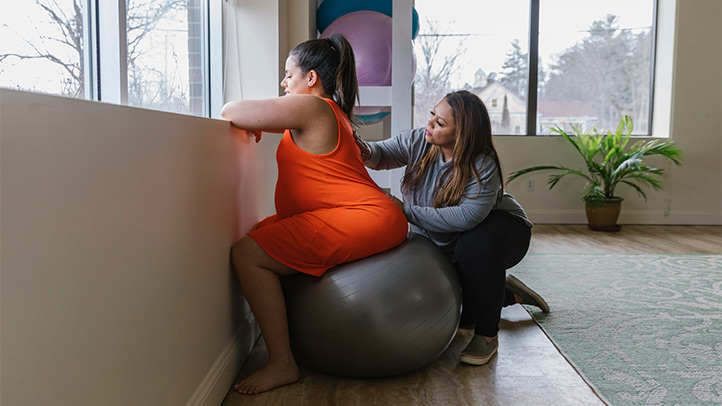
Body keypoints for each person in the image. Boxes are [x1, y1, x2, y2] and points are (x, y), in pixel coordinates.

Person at [220, 34, 408, 394]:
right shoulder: (322, 113)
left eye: (288, 74)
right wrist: (262, 120)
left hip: (364, 215)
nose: (283, 82)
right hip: (357, 212)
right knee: (260, 233)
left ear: (311, 78)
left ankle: (282, 363)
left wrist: (254, 118)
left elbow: (231, 110)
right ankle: (287, 345)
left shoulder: (315, 108)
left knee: (247, 252)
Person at [356, 90, 549, 366]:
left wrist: (405, 211)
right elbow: (382, 154)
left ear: (463, 134)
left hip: (502, 232)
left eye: (440, 123)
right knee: (464, 315)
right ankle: (504, 291)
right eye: (432, 115)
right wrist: (365, 150)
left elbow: (467, 217)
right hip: (455, 242)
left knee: (474, 245)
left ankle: (488, 336)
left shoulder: (482, 164)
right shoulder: (419, 141)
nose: (430, 123)